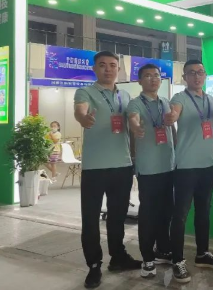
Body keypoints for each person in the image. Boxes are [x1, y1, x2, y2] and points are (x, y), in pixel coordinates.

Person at [73, 51, 141, 289]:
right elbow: (80, 110)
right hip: (95, 167)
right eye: (102, 65)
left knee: (117, 217)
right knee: (91, 219)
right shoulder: (86, 92)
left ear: (118, 70)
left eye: (112, 65)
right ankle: (94, 265)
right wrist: (84, 119)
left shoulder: (125, 95)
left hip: (122, 166)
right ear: (95, 69)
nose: (108, 69)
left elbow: (131, 124)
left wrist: (134, 153)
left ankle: (118, 257)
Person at [167, 60, 213, 283]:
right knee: (181, 215)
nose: (197, 76)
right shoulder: (179, 98)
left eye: (200, 72)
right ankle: (177, 260)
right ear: (185, 77)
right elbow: (174, 112)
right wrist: (172, 117)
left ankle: (202, 253)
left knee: (203, 211)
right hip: (186, 166)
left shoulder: (210, 100)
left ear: (205, 75)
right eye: (192, 73)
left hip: (207, 165)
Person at [126, 64, 175, 279]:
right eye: (147, 76)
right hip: (149, 169)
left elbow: (171, 129)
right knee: (148, 214)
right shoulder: (135, 103)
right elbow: (133, 118)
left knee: (166, 212)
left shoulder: (165, 102)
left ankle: (162, 249)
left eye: (156, 75)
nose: (153, 79)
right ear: (139, 81)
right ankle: (147, 257)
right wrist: (136, 127)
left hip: (169, 166)